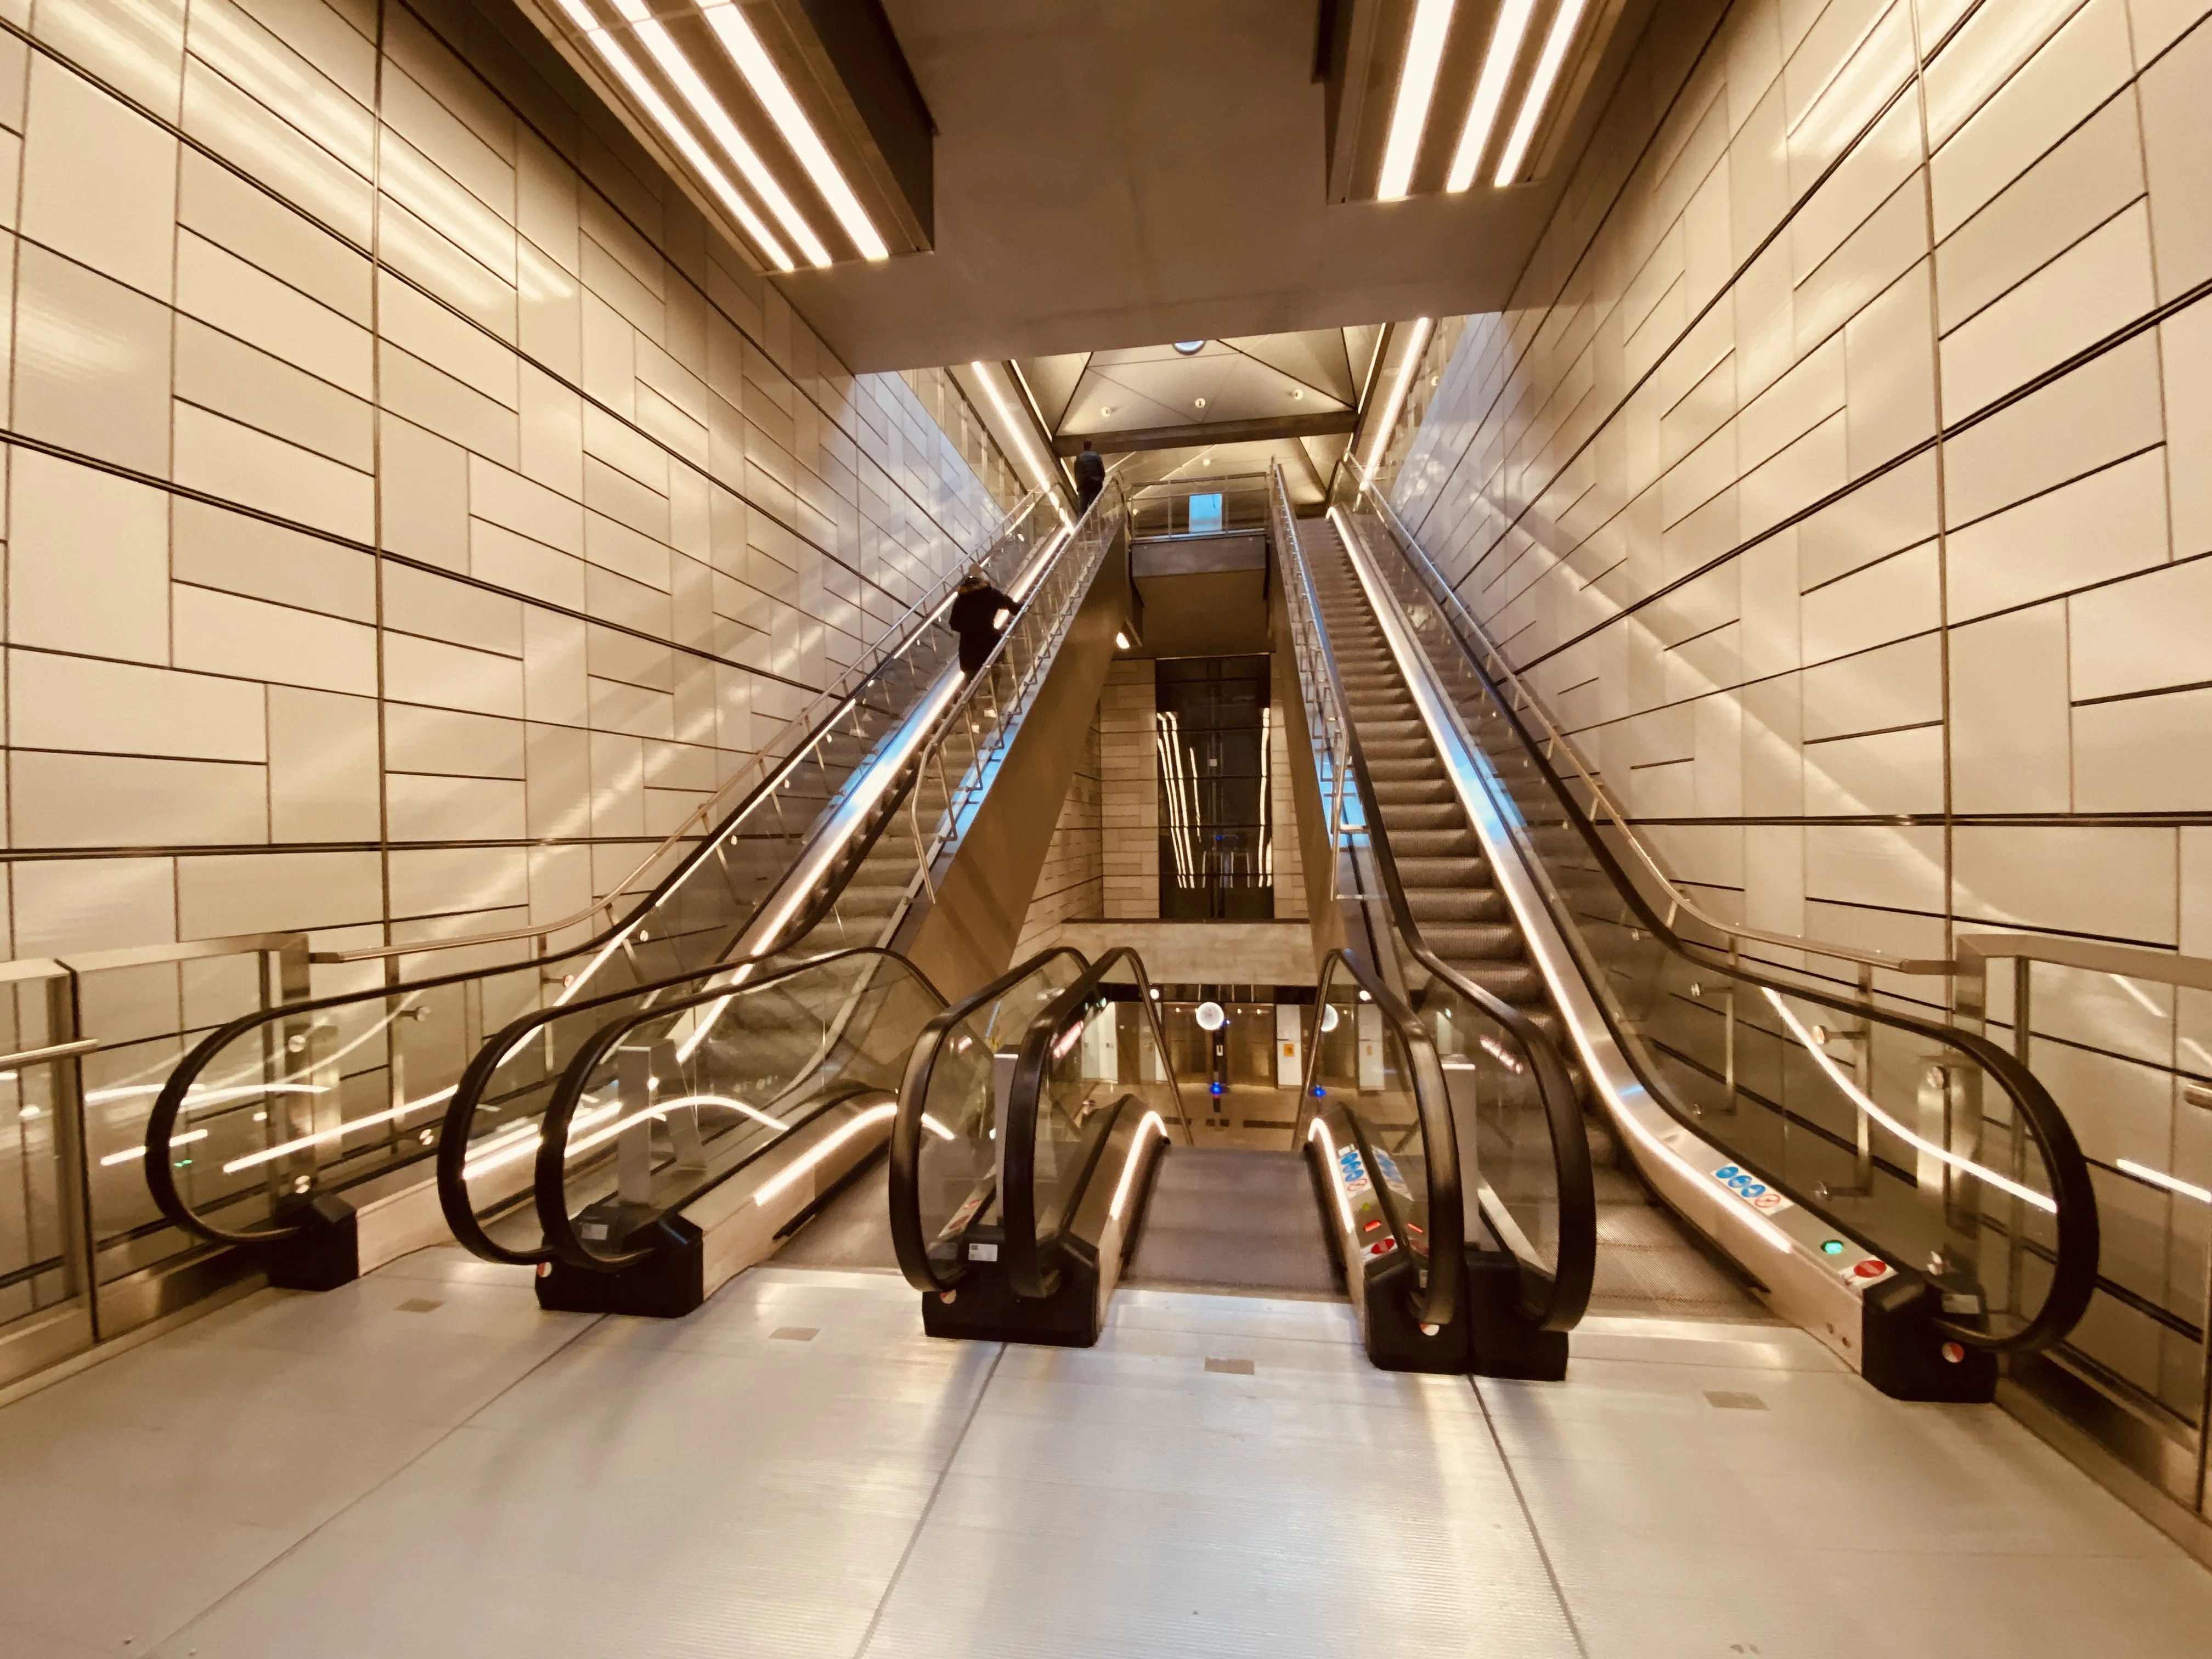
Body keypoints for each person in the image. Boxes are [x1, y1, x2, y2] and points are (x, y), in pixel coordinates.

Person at [947, 571, 1018, 676]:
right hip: (990, 643)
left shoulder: (961, 600)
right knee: (997, 670)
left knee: (973, 678)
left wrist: (970, 628)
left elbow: (954, 624)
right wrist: (1018, 608)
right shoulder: (989, 594)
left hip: (968, 651)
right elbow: (1009, 604)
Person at [1071, 439, 1105, 515]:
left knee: (1082, 508)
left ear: (1084, 447)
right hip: (1095, 484)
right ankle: (1094, 518)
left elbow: (1077, 473)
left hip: (1083, 485)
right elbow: (1102, 471)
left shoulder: (1079, 458)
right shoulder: (1096, 456)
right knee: (1094, 506)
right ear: (1090, 446)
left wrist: (1079, 484)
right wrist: (1100, 480)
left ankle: (1082, 521)